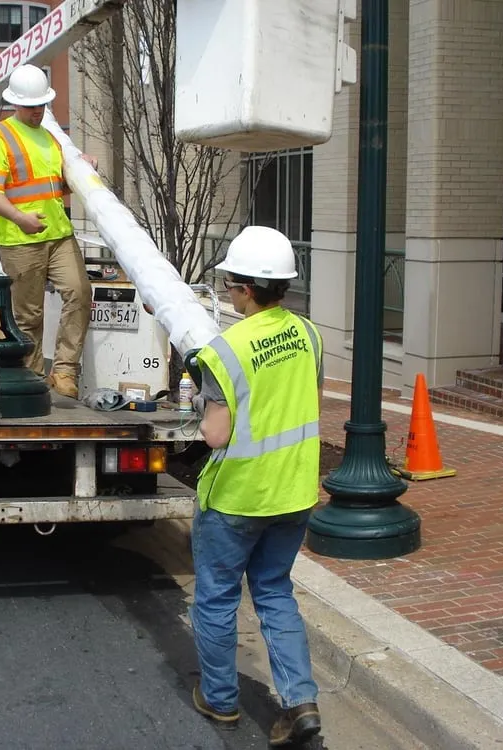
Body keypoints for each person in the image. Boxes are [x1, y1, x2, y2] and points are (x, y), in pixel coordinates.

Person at [188, 225, 324, 747]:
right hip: (294, 493)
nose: (225, 291)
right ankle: (300, 703)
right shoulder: (309, 334)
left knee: (218, 599)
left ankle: (221, 702)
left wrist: (202, 402)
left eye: (228, 284)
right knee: (274, 593)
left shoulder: (223, 350)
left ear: (244, 288)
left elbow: (216, 433)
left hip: (238, 497)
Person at [0, 65, 96, 399]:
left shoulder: (49, 138)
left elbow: (52, 188)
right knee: (28, 317)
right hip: (21, 240)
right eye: (31, 106)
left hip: (57, 234)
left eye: (41, 105)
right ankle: (34, 380)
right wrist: (20, 218)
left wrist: (81, 168)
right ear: (14, 103)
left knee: (80, 292)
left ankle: (65, 371)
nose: (37, 111)